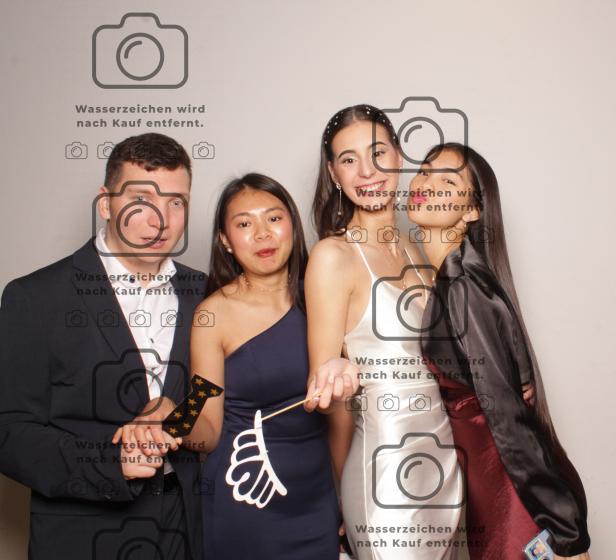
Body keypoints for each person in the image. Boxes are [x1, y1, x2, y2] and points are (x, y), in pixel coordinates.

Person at [0, 133, 206, 559]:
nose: (161, 221)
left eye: (176, 202)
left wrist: (177, 414)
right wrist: (110, 462)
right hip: (81, 536)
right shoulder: (36, 297)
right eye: (141, 200)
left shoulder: (204, 293)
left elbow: (212, 399)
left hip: (185, 530)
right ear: (106, 203)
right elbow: (9, 432)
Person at [407, 143, 591, 559]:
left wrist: (564, 530)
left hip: (515, 500)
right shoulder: (454, 278)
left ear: (472, 211)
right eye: (425, 171)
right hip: (489, 489)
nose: (427, 184)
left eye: (447, 181)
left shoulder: (464, 286)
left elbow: (506, 415)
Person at [302, 104, 463, 559]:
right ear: (334, 174)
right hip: (383, 472)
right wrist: (343, 493)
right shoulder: (333, 257)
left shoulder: (419, 249)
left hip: (445, 464)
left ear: (398, 156)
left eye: (377, 153)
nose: (367, 171)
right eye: (349, 159)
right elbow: (330, 401)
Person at [175, 173, 342, 559]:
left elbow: (341, 415)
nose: (263, 234)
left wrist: (347, 495)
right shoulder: (212, 315)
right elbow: (206, 430)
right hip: (245, 496)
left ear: (292, 225)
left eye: (274, 218)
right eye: (244, 224)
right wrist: (173, 418)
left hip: (317, 498)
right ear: (225, 240)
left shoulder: (324, 297)